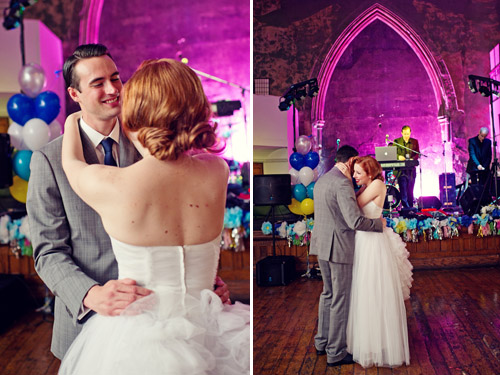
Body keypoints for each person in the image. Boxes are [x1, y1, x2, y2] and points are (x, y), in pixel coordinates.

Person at [26, 44, 230, 361]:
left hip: (183, 324)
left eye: (116, 78)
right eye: (98, 83)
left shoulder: (158, 144)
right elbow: (47, 250)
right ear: (74, 95)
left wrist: (202, 283)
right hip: (90, 325)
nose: (112, 90)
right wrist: (89, 294)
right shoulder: (48, 160)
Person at [309, 145, 385, 367]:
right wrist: (378, 224)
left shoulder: (322, 179)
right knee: (340, 299)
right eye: (355, 165)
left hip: (322, 245)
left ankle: (321, 342)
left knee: (328, 295)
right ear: (351, 160)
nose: (355, 172)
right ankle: (336, 352)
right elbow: (355, 221)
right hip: (338, 247)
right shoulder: (342, 183)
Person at [346, 156, 413, 368]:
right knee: (365, 291)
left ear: (370, 173)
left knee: (373, 290)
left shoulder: (377, 184)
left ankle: (377, 344)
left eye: (358, 173)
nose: (354, 176)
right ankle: (369, 342)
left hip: (372, 241)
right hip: (366, 237)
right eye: (354, 172)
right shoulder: (369, 185)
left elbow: (354, 204)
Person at [393, 125, 420, 208]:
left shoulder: (415, 142)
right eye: (405, 134)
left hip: (411, 170)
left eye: (408, 134)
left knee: (410, 189)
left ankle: (410, 207)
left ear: (410, 133)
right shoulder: (397, 141)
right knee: (403, 189)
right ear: (401, 133)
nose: (406, 136)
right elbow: (393, 153)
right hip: (401, 170)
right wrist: (399, 157)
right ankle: (405, 207)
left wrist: (412, 159)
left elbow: (417, 153)